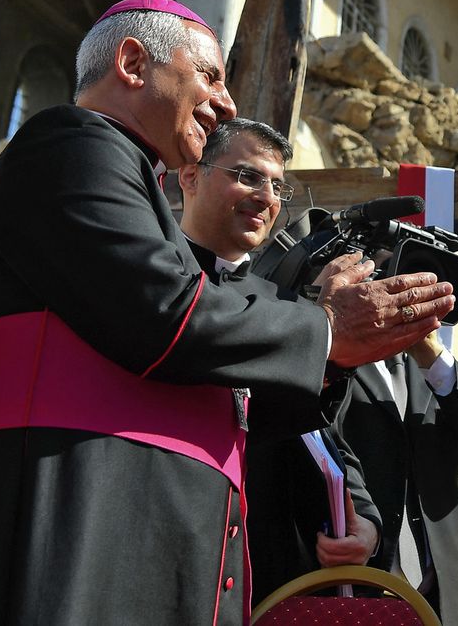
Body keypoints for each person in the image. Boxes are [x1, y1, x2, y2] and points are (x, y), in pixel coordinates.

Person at [0, 0, 454, 626]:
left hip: (144, 536)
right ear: (132, 62)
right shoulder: (71, 145)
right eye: (210, 75)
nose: (228, 103)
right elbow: (167, 315)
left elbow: (227, 394)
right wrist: (324, 329)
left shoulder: (137, 185)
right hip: (69, 521)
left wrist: (334, 354)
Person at [176, 117, 381, 606]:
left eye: (278, 186)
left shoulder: (289, 310)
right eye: (247, 175)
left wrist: (366, 526)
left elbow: (326, 444)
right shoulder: (154, 279)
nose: (267, 197)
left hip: (268, 577)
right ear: (190, 176)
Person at [327, 320, 458, 625]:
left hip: (436, 605)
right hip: (359, 594)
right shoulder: (332, 360)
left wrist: (433, 356)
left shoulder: (432, 372)